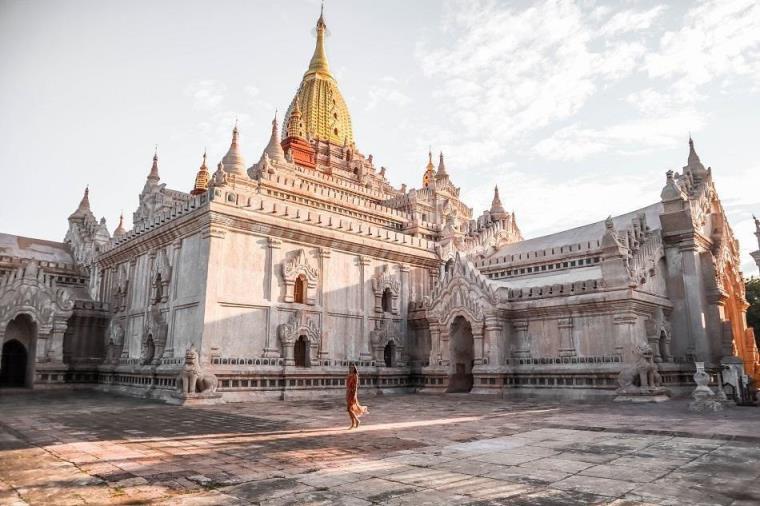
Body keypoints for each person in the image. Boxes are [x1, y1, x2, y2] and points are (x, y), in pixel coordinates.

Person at [346, 364, 368, 429]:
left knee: (349, 409)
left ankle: (355, 422)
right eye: (350, 368)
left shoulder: (355, 376)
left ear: (354, 369)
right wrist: (347, 393)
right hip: (348, 393)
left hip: (352, 393)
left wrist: (354, 394)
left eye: (352, 368)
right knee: (349, 409)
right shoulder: (349, 375)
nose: (351, 369)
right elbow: (347, 386)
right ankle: (355, 422)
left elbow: (355, 386)